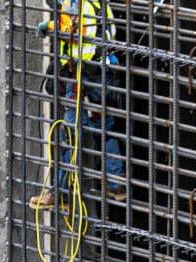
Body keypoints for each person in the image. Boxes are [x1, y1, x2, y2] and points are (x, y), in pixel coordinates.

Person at [29, 0, 125, 210]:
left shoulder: (78, 4)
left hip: (82, 76)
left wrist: (51, 28)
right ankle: (116, 185)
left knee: (70, 135)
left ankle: (60, 193)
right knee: (104, 128)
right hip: (103, 73)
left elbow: (74, 32)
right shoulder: (99, 3)